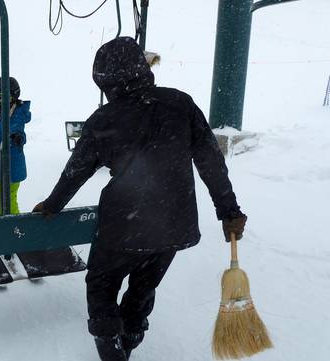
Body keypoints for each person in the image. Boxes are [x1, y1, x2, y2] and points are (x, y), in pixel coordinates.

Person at [32, 37, 247, 361]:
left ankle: (113, 352)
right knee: (142, 289)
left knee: (101, 286)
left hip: (123, 227)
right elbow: (210, 162)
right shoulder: (181, 104)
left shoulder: (104, 120)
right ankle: (128, 342)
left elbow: (77, 171)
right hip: (174, 227)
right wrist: (229, 211)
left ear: (105, 81)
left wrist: (51, 206)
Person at [0, 77, 31, 216]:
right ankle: (15, 229)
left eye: (1, 97)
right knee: (9, 203)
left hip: (5, 168)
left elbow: (16, 129)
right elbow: (2, 137)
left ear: (13, 95)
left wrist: (18, 137)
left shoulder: (16, 114)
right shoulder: (4, 114)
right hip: (6, 165)